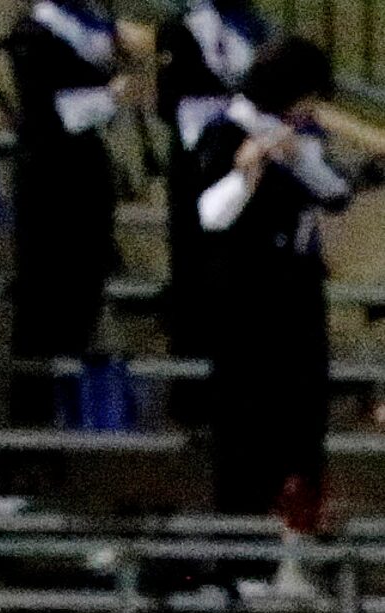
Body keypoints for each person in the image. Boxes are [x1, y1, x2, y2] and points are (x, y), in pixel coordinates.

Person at [192, 38, 354, 582]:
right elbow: (210, 215)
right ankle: (243, 569)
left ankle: (296, 565)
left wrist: (296, 156)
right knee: (245, 437)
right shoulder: (224, 132)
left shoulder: (297, 137)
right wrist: (246, 172)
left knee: (301, 433)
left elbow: (336, 193)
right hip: (246, 312)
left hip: (297, 306)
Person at [3, 0, 122, 421]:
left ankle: (67, 411)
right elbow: (54, 112)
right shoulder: (35, 32)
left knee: (82, 299)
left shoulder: (85, 27)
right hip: (47, 180)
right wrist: (113, 95)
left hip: (83, 173)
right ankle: (31, 422)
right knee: (41, 306)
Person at [158, 0, 275, 370]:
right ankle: (192, 384)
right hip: (199, 161)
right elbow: (174, 101)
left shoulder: (255, 28)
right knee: (196, 268)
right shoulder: (182, 27)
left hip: (245, 156)